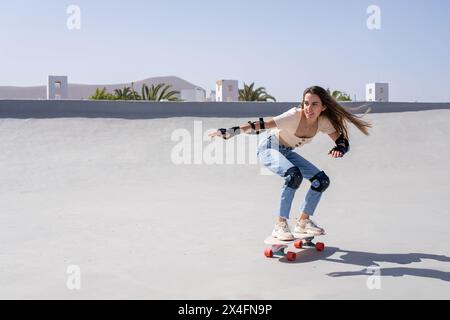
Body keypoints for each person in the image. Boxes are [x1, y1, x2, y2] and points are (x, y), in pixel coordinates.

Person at [209, 86, 372, 240]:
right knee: (294, 176)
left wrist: (340, 149)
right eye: (306, 103)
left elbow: (342, 141)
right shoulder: (294, 115)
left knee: (321, 181)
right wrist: (232, 131)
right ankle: (280, 224)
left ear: (323, 107)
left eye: (315, 104)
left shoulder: (323, 122)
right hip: (268, 147)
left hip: (286, 151)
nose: (309, 108)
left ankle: (302, 222)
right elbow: (262, 124)